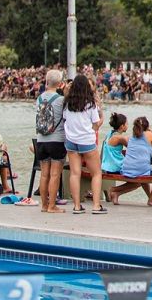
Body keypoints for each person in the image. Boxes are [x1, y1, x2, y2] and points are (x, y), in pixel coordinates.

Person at [63, 73, 105, 214]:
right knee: (96, 173)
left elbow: (65, 120)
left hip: (71, 141)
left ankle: (76, 206)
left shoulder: (67, 103)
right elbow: (95, 123)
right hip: (87, 141)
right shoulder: (90, 104)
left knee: (75, 173)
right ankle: (96, 205)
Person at [111, 116, 152, 206]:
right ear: (147, 126)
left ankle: (117, 193)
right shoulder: (149, 134)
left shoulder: (132, 136)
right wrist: (150, 151)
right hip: (141, 169)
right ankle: (151, 199)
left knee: (142, 177)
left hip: (126, 168)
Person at [35, 69, 67, 213]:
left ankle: (43, 205)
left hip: (41, 140)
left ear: (47, 81)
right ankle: (52, 205)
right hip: (57, 140)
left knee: (44, 174)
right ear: (60, 83)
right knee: (55, 175)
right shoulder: (61, 100)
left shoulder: (39, 98)